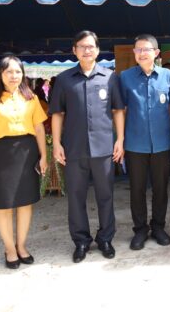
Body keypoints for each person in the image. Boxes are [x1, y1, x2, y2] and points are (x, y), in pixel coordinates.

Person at [50, 30, 124, 263]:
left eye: (91, 46)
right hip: (74, 149)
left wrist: (120, 139)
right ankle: (81, 241)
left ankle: (105, 239)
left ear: (98, 50)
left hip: (104, 148)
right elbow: (57, 113)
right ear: (74, 50)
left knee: (105, 195)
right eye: (82, 46)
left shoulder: (110, 77)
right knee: (76, 197)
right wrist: (56, 144)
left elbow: (118, 110)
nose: (86, 50)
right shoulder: (63, 79)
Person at [0, 56, 49, 269]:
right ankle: (9, 249)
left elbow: (38, 129)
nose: (13, 76)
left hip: (27, 153)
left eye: (17, 71)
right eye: (8, 72)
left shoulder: (31, 98)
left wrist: (43, 156)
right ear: (0, 75)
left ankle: (22, 246)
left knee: (26, 203)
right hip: (1, 155)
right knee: (4, 205)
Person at [119, 34, 170, 250]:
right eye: (138, 50)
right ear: (134, 53)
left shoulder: (167, 76)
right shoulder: (125, 77)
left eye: (146, 49)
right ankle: (140, 229)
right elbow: (121, 109)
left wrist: (158, 121)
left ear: (156, 53)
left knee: (161, 188)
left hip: (161, 143)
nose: (142, 53)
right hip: (135, 144)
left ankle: (159, 227)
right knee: (137, 189)